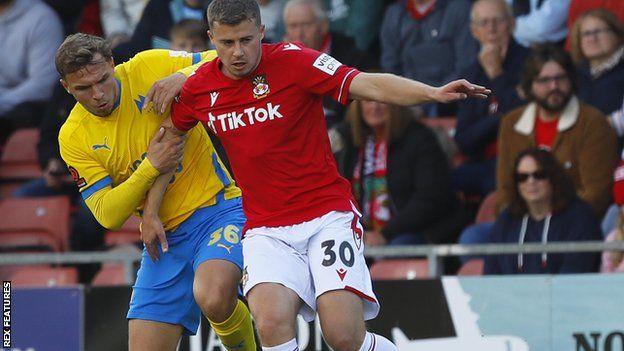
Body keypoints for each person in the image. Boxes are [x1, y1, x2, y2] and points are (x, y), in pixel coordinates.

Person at [145, 1, 489, 350]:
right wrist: (151, 210)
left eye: (247, 40)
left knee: (342, 336)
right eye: (227, 43)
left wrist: (431, 92)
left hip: (326, 216)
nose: (238, 52)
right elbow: (170, 141)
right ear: (211, 40)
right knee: (270, 321)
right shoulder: (199, 88)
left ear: (262, 32)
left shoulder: (296, 61)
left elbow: (366, 83)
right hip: (265, 229)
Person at [56, 33, 256, 351]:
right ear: (66, 87)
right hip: (162, 240)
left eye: (102, 80)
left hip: (218, 209)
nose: (98, 94)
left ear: (112, 64)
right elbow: (107, 214)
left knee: (214, 295)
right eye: (83, 88)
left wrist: (180, 77)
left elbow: (218, 60)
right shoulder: (73, 137)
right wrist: (150, 166)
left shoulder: (148, 66)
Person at [333, 99, 464, 246]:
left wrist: (386, 234)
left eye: (382, 100)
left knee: (399, 245)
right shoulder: (346, 143)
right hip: (364, 233)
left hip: (416, 231)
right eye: (368, 101)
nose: (375, 107)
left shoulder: (420, 138)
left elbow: (430, 198)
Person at [484, 147, 602, 274]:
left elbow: (575, 272)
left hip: (564, 293)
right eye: (522, 177)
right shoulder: (507, 219)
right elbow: (491, 273)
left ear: (553, 177)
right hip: (511, 293)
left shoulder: (579, 216)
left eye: (539, 175)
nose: (531, 181)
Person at [453, 0, 529, 198]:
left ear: (512, 24)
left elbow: (522, 117)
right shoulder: (470, 73)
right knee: (441, 184)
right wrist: (500, 117)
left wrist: (496, 73)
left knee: (493, 184)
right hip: (481, 161)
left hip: (522, 158)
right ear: (474, 31)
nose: (492, 28)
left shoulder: (532, 64)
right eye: (484, 23)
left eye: (498, 20)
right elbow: (463, 140)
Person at [282, 0, 374, 127]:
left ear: (323, 26)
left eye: (306, 25)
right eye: (293, 26)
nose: (299, 34)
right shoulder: (280, 64)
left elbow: (359, 114)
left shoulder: (355, 60)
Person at [380, 0, 479, 117]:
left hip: (450, 102)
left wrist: (433, 97)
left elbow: (466, 65)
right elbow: (390, 66)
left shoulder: (459, 8)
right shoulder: (394, 13)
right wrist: (407, 100)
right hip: (407, 102)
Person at [0, 0, 64, 144]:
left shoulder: (42, 18)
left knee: (24, 114)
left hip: (24, 108)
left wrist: (2, 102)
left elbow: (44, 85)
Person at [569, 9, 624, 118]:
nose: (592, 38)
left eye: (599, 31)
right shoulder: (573, 73)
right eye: (586, 34)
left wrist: (594, 130)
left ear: (617, 34)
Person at [506, 0, 570, 47]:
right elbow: (499, 8)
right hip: (512, 48)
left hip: (554, 52)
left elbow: (542, 26)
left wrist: (509, 25)